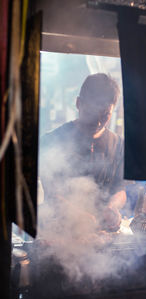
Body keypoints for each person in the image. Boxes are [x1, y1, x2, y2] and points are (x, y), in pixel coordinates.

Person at [39, 73, 126, 232]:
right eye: (92, 113)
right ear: (79, 103)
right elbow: (52, 192)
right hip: (59, 232)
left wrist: (113, 207)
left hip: (101, 233)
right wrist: (80, 216)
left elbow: (120, 188)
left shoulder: (118, 144)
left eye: (105, 115)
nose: (98, 122)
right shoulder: (52, 141)